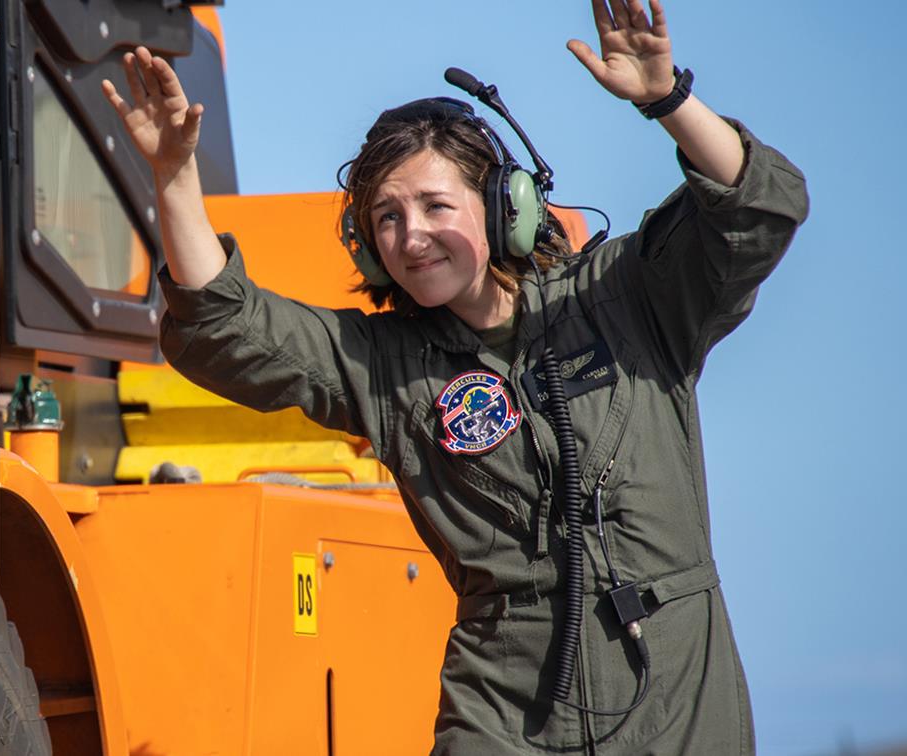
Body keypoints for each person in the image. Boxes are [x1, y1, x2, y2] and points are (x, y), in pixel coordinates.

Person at [104, 0, 808, 752]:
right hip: (507, 713)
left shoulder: (625, 297)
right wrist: (175, 177)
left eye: (436, 205)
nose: (412, 238)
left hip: (681, 705)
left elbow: (758, 209)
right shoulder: (384, 365)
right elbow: (224, 327)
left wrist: (667, 99)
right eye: (387, 218)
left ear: (507, 204)